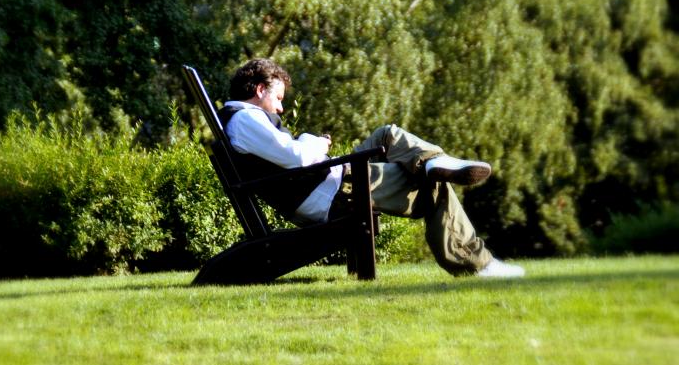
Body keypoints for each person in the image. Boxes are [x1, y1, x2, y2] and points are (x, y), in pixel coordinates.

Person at [219, 58, 525, 278]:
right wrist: (315, 142)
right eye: (278, 98)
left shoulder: (243, 120)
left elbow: (290, 157)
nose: (281, 107)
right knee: (433, 184)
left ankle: (433, 161)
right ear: (260, 89)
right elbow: (297, 157)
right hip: (333, 194)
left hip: (331, 183)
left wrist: (311, 145)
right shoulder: (246, 119)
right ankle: (477, 264)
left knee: (387, 134)